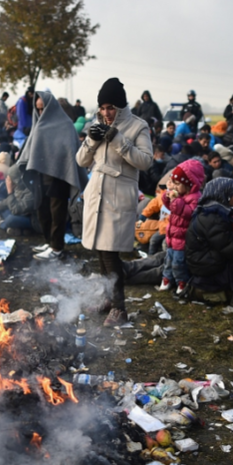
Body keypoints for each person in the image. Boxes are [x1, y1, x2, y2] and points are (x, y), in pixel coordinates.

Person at [77, 77, 153, 326]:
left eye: (111, 108)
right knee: (101, 251)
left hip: (118, 195)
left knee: (110, 253)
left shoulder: (137, 126)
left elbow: (145, 161)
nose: (106, 113)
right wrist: (92, 140)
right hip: (96, 192)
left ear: (121, 107)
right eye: (103, 107)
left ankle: (120, 308)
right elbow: (81, 161)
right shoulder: (95, 124)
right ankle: (109, 298)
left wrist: (117, 138)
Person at [11, 92, 84, 260]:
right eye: (38, 109)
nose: (41, 112)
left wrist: (60, 165)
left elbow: (70, 151)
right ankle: (49, 242)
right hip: (41, 177)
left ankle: (57, 249)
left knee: (57, 215)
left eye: (44, 108)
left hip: (60, 177)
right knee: (43, 213)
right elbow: (31, 150)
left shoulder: (65, 125)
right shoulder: (38, 126)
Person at [185, 177, 233, 302]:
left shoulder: (211, 211)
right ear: (224, 194)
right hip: (206, 265)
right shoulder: (213, 217)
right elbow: (232, 249)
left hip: (206, 261)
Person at [159, 160, 204, 295]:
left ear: (189, 184)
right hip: (173, 236)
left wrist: (176, 200)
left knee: (179, 263)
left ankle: (182, 282)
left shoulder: (194, 198)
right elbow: (170, 208)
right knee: (168, 260)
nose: (175, 187)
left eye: (178, 184)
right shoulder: (180, 195)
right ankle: (167, 279)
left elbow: (189, 213)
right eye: (174, 183)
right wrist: (167, 197)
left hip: (183, 238)